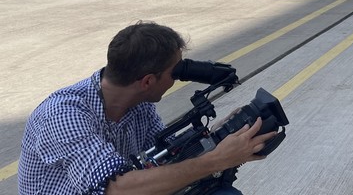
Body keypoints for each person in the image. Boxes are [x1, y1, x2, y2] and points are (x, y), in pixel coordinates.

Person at [18, 21, 276, 195]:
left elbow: (171, 159)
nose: (176, 80)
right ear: (147, 82)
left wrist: (219, 139)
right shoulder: (63, 114)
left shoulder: (139, 105)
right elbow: (117, 189)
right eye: (174, 73)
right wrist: (216, 160)